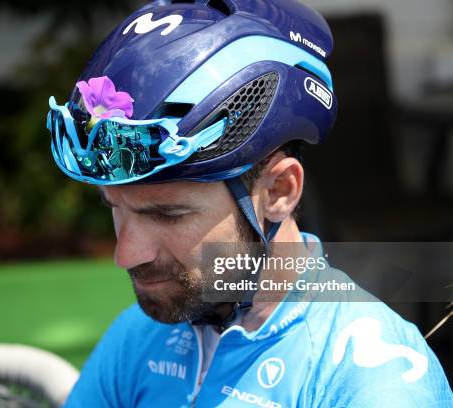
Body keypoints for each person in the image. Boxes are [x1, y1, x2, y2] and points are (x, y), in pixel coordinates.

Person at [46, 0, 453, 406]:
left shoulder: (370, 376)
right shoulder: (136, 338)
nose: (126, 253)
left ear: (278, 192)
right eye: (113, 208)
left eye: (167, 214)